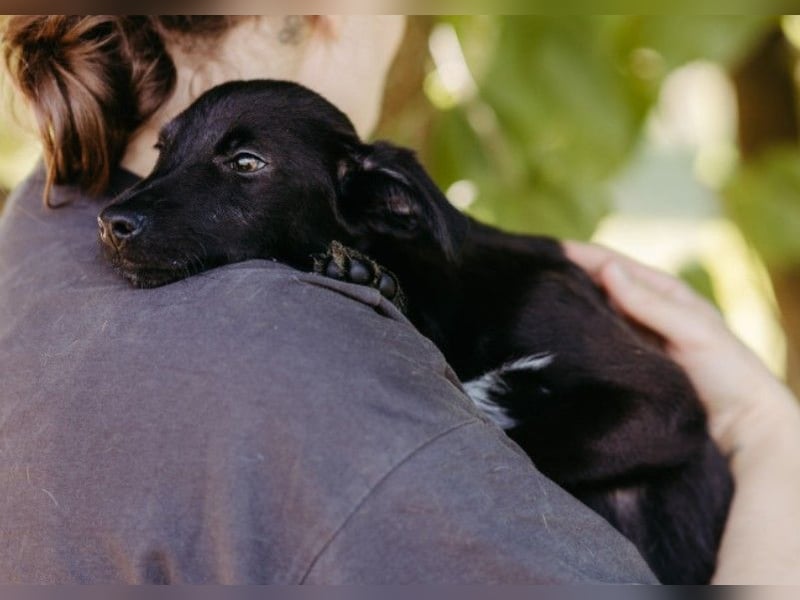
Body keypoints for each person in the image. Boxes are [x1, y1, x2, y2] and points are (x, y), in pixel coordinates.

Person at [0, 15, 797, 584]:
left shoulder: (35, 234)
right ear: (328, 16)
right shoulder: (377, 430)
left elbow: (649, 421)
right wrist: (771, 439)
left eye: (240, 166)